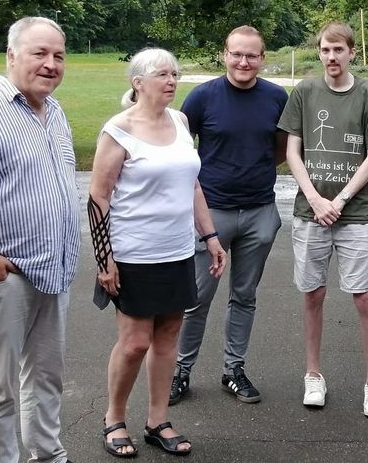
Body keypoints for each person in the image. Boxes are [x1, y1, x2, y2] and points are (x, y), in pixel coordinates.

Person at [87, 48, 228, 458]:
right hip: (133, 254)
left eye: (175, 74)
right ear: (138, 82)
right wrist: (104, 260)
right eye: (163, 75)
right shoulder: (119, 129)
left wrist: (211, 237)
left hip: (178, 251)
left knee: (168, 338)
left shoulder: (181, 121)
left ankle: (157, 420)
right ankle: (114, 418)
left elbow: (194, 186)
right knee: (134, 343)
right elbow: (98, 197)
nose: (172, 81)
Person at [0, 17, 79, 463]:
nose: (50, 64)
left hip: (53, 270)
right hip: (4, 274)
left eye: (58, 56)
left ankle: (48, 454)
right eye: (39, 54)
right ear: (12, 57)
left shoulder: (55, 111)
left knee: (47, 376)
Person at [278, 21, 368, 417]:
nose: (331, 58)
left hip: (354, 213)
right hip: (311, 212)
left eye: (338, 50)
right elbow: (293, 151)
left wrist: (339, 200)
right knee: (313, 294)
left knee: (363, 298)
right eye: (325, 50)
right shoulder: (305, 91)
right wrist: (314, 197)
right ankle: (313, 374)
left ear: (351, 53)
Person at [170, 26, 288, 405]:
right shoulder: (203, 97)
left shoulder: (276, 97)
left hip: (259, 212)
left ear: (262, 58)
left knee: (245, 295)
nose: (243, 62)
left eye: (251, 55)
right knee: (196, 299)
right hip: (211, 215)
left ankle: (233, 369)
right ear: (224, 54)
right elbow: (180, 150)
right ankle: (180, 371)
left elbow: (281, 150)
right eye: (236, 54)